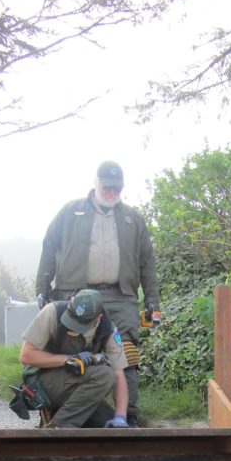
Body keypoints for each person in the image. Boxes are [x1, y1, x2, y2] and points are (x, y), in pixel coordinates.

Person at [34, 160, 160, 426]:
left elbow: (147, 261)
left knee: (126, 353)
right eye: (107, 187)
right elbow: (49, 248)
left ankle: (128, 417)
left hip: (121, 294)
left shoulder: (133, 219)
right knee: (68, 349)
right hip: (75, 293)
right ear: (95, 183)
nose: (112, 192)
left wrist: (152, 300)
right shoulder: (70, 211)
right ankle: (58, 410)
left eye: (117, 188)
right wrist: (42, 289)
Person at [20, 289, 129, 429]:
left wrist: (121, 416)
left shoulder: (108, 329)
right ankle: (58, 428)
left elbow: (119, 374)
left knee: (106, 423)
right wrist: (68, 359)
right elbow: (26, 356)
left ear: (98, 318)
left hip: (78, 385)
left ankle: (59, 418)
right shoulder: (53, 312)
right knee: (104, 374)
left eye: (81, 325)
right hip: (42, 382)